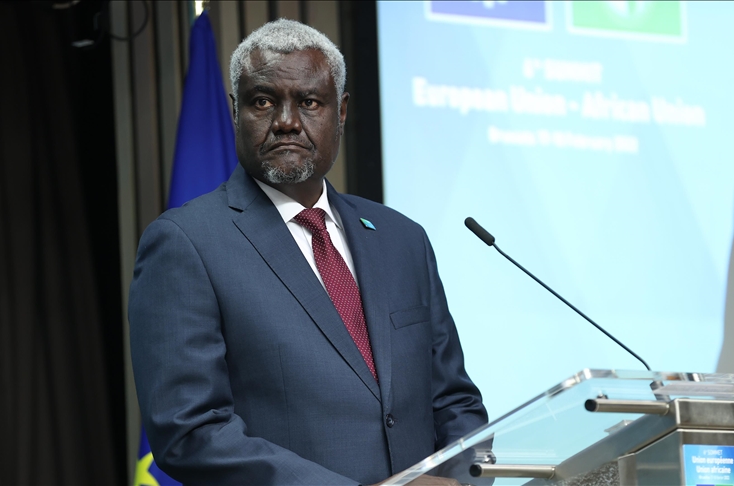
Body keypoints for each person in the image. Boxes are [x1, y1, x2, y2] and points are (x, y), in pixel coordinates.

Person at [129, 19, 487, 485]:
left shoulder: (402, 239)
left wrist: (463, 479)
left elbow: (455, 401)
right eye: (263, 101)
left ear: (341, 112)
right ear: (235, 111)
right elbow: (190, 432)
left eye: (309, 102)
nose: (286, 122)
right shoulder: (185, 243)